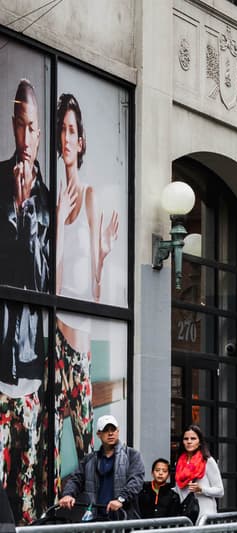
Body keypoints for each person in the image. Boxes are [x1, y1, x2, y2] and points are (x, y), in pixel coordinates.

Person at [53, 92, 120, 489]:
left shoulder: (91, 195)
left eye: (72, 130)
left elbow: (93, 292)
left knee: (83, 444)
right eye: (61, 128)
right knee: (49, 441)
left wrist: (106, 253)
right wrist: (59, 220)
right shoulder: (55, 201)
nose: (65, 137)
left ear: (81, 142)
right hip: (55, 341)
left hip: (79, 347)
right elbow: (54, 286)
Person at [0, 78, 49, 523]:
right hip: (2, 362)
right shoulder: (0, 180)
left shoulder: (45, 199)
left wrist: (28, 214)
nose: (28, 138)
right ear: (13, 127)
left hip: (32, 364)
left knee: (28, 479)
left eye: (35, 129)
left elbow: (39, 281)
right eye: (21, 126)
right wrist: (14, 210)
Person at [58, 414, 145, 520]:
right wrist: (68, 494)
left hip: (124, 518)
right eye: (106, 430)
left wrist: (120, 499)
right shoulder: (89, 460)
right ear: (99, 434)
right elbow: (75, 479)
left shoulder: (132, 455)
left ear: (118, 431)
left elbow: (136, 481)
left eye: (113, 429)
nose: (110, 433)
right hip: (96, 519)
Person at [173, 425, 223, 522]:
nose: (189, 441)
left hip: (204, 517)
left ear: (199, 442)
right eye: (186, 439)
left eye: (193, 438)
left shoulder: (208, 461)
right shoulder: (179, 463)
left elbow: (220, 491)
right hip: (186, 516)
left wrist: (201, 489)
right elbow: (179, 490)